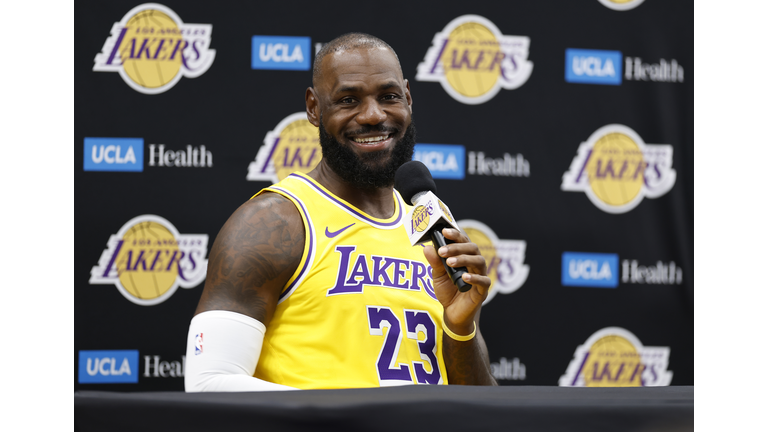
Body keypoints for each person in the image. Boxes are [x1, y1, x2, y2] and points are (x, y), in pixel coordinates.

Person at [185, 33, 497, 391]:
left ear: (408, 99)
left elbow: (479, 402)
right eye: (349, 100)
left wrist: (460, 329)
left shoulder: (429, 224)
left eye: (389, 96)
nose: (373, 115)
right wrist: (356, 418)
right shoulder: (274, 222)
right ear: (314, 108)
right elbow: (208, 384)